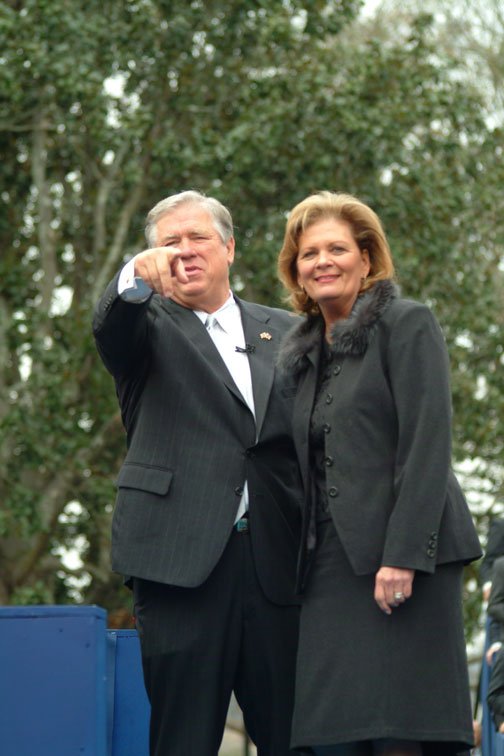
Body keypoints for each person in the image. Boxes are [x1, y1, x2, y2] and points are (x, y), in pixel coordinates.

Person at [93, 190, 303, 755]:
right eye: (169, 243)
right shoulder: (144, 327)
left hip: (276, 568)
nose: (184, 251)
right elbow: (110, 322)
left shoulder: (287, 330)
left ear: (229, 248)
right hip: (179, 565)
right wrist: (135, 276)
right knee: (183, 739)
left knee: (293, 738)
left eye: (197, 238)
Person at [276, 191, 482, 756]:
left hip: (406, 561)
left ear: (367, 258)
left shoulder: (407, 323)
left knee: (398, 735)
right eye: (308, 252)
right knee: (334, 736)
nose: (322, 261)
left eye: (337, 248)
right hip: (329, 567)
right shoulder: (300, 355)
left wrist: (402, 555)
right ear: (295, 269)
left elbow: (428, 444)